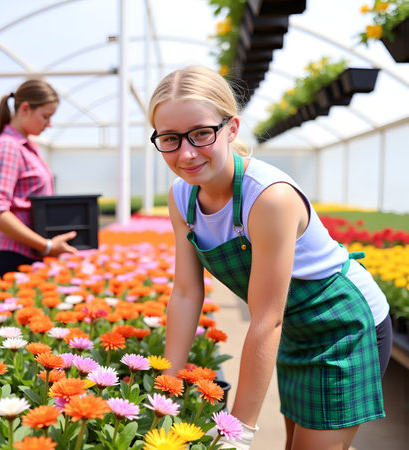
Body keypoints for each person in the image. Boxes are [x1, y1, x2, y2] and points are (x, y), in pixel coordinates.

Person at [148, 66, 392, 450]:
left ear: (231, 129)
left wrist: (238, 429)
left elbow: (266, 318)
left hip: (343, 325)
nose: (186, 152)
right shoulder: (182, 198)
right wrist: (168, 388)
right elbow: (184, 293)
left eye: (201, 133)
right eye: (170, 138)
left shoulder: (269, 198)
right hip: (295, 329)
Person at [0, 79, 77, 277]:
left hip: (29, 251)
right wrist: (47, 245)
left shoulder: (27, 146)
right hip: (15, 254)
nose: (49, 124)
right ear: (25, 108)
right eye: (45, 116)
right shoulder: (8, 146)